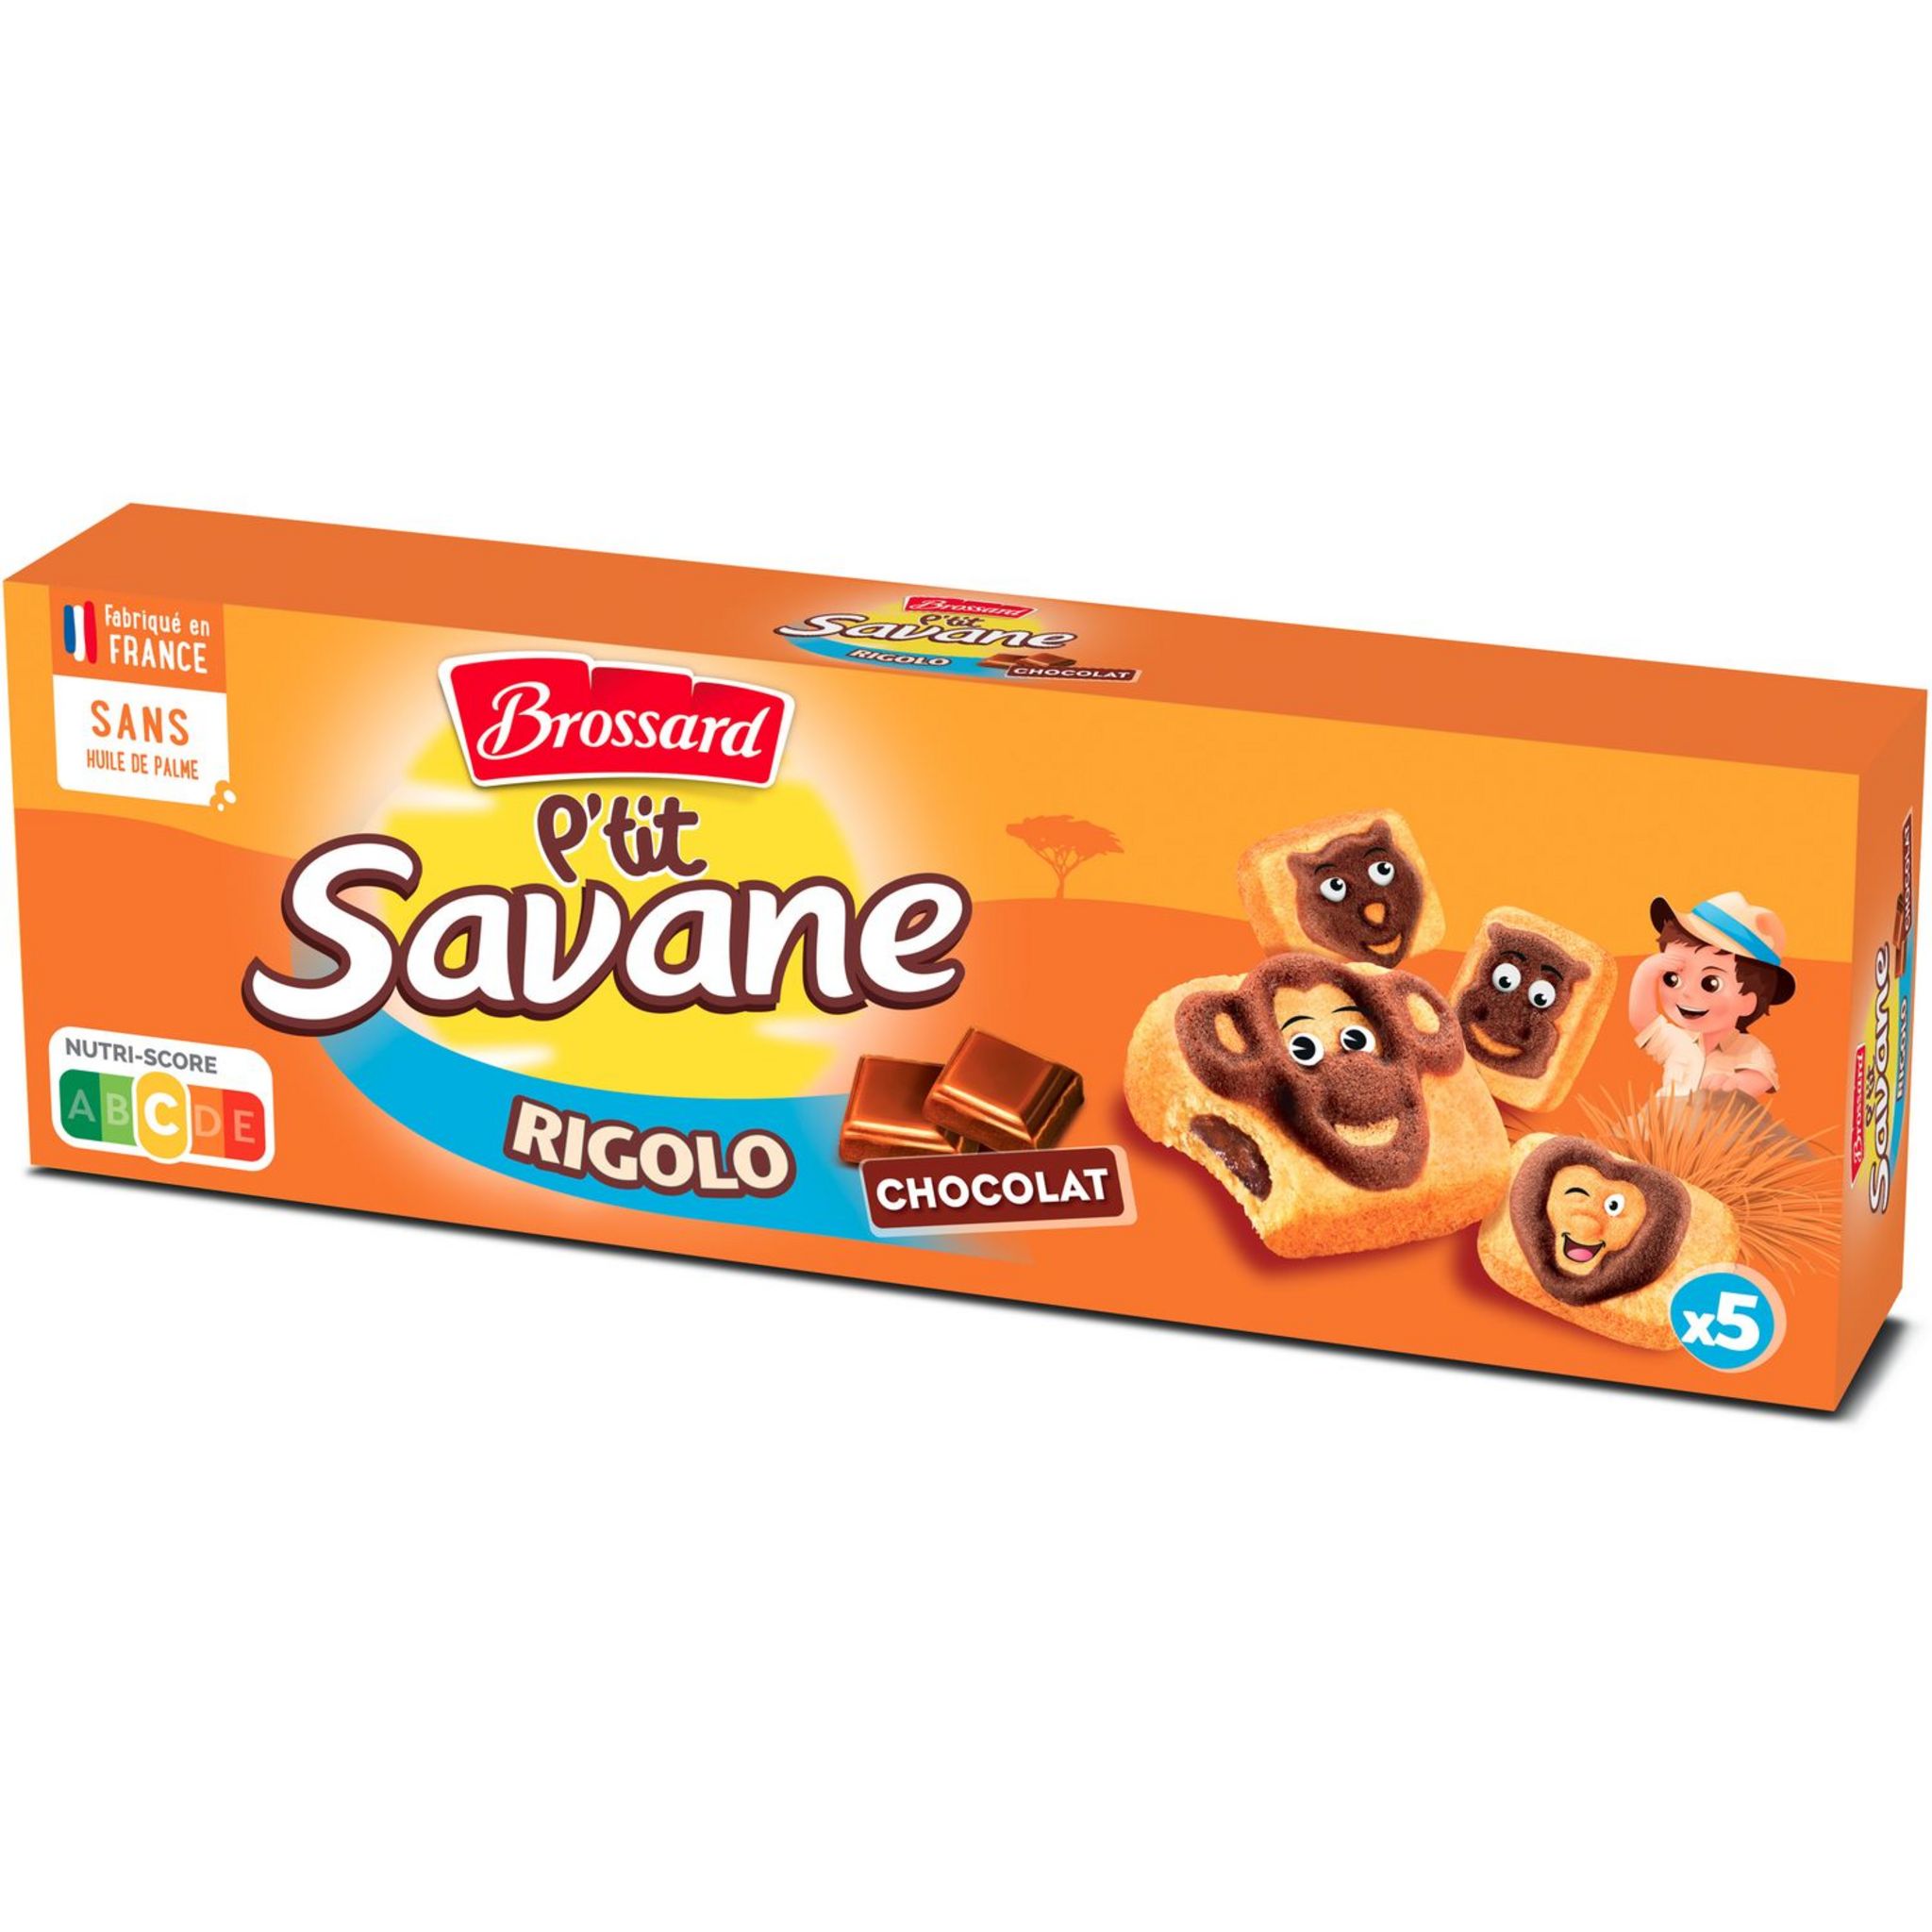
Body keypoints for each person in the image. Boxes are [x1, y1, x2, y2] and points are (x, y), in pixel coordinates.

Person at [1628, 892, 1796, 1099]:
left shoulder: (1749, 1050)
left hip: (1712, 1120)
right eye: (1672, 978)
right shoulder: (1677, 1042)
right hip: (1660, 1119)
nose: (1686, 992)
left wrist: (1736, 1084)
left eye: (1710, 984)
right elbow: (1642, 1019)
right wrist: (1646, 972)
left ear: (1748, 1002)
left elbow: (1762, 1077)